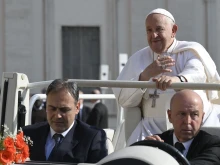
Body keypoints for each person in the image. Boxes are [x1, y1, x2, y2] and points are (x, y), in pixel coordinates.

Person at [112, 8, 220, 145]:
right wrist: (145, 75)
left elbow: (197, 72)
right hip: (151, 127)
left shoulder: (190, 50)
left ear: (173, 30)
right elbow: (123, 99)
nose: (154, 35)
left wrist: (177, 80)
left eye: (159, 29)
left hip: (194, 125)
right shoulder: (138, 58)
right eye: (149, 30)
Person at [23, 79, 107, 163]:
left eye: (64, 110)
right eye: (52, 108)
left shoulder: (92, 138)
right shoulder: (28, 134)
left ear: (77, 107)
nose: (57, 115)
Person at [144, 90, 220, 165]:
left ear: (202, 118)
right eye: (182, 114)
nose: (187, 121)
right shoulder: (157, 143)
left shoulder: (213, 144)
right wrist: (144, 151)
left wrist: (160, 159)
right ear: (170, 116)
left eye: (194, 114)